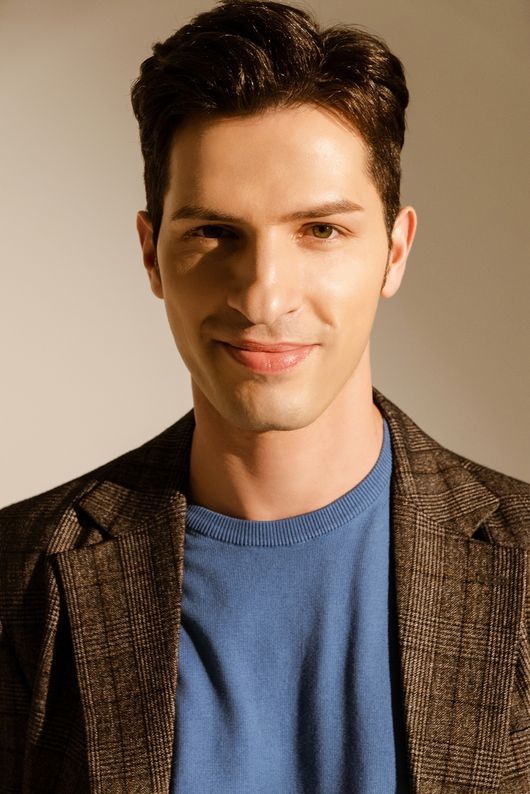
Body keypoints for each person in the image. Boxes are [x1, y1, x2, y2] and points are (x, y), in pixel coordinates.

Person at [1, 0, 528, 791]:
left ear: (395, 251)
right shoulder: (18, 579)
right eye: (214, 233)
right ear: (150, 254)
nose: (262, 295)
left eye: (321, 230)